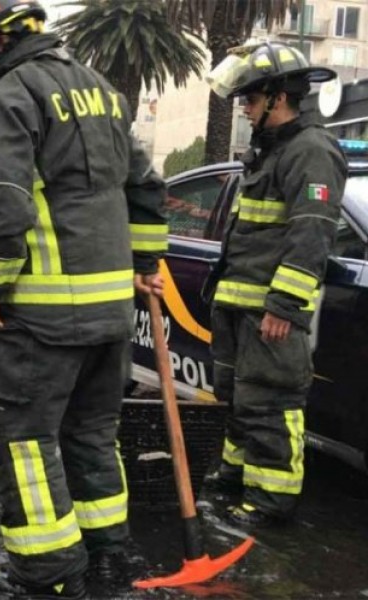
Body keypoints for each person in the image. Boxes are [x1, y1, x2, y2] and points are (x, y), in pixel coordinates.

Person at [0, 2, 168, 598]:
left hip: (40, 316)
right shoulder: (103, 92)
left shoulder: (12, 96)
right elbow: (146, 187)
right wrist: (144, 266)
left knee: (21, 440)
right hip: (111, 316)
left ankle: (44, 575)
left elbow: (2, 200)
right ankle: (106, 558)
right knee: (92, 435)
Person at [204, 42, 346, 528]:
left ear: (277, 97)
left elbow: (312, 234)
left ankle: (268, 503)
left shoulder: (311, 151)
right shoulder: (271, 150)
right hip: (242, 305)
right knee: (243, 399)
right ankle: (235, 479)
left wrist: (283, 305)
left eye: (249, 99)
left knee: (270, 403)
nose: (244, 108)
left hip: (270, 312)